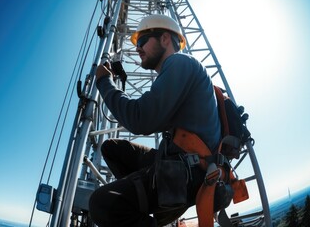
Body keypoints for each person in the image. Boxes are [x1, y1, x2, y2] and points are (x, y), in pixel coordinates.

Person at [88, 14, 221, 227]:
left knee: (102, 204)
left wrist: (104, 82)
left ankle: (141, 203)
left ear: (165, 39)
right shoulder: (179, 72)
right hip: (180, 161)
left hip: (190, 173)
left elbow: (140, 119)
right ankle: (145, 202)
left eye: (142, 41)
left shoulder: (180, 63)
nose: (137, 48)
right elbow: (146, 119)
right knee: (112, 149)